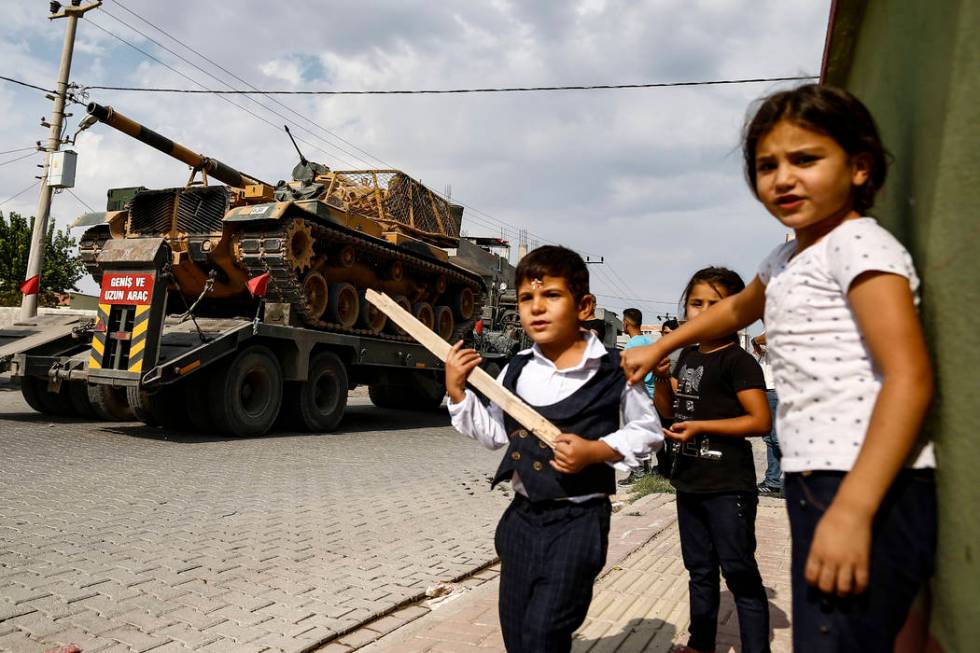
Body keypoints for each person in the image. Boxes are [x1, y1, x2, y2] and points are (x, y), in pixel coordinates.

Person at [622, 84, 936, 652]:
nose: (782, 178)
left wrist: (855, 510)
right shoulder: (787, 258)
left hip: (867, 479)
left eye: (805, 159)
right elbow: (738, 309)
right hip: (818, 478)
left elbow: (909, 378)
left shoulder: (860, 248)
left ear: (860, 166)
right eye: (767, 165)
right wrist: (659, 347)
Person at [445, 245, 663, 653]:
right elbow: (494, 433)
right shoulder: (516, 368)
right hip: (521, 522)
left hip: (578, 524)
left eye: (551, 296)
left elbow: (648, 431)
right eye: (527, 298)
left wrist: (597, 450)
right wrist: (458, 392)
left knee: (544, 634)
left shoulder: (614, 370)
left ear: (584, 306)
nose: (536, 308)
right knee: (516, 633)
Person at [653, 266, 772, 653]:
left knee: (738, 572)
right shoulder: (686, 357)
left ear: (736, 311)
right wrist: (659, 380)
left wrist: (704, 425)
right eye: (695, 303)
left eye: (714, 305)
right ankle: (700, 644)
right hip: (689, 481)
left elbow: (760, 420)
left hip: (728, 486)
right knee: (699, 570)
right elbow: (670, 412)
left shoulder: (738, 361)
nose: (702, 312)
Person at [617, 307, 655, 486]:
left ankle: (638, 472)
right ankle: (646, 469)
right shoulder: (650, 341)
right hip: (651, 394)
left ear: (626, 323)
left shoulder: (631, 346)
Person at [752, 331, 783, 497]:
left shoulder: (781, 323)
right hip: (768, 388)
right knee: (771, 439)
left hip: (775, 388)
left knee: (777, 439)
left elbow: (767, 338)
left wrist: (754, 340)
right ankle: (772, 481)